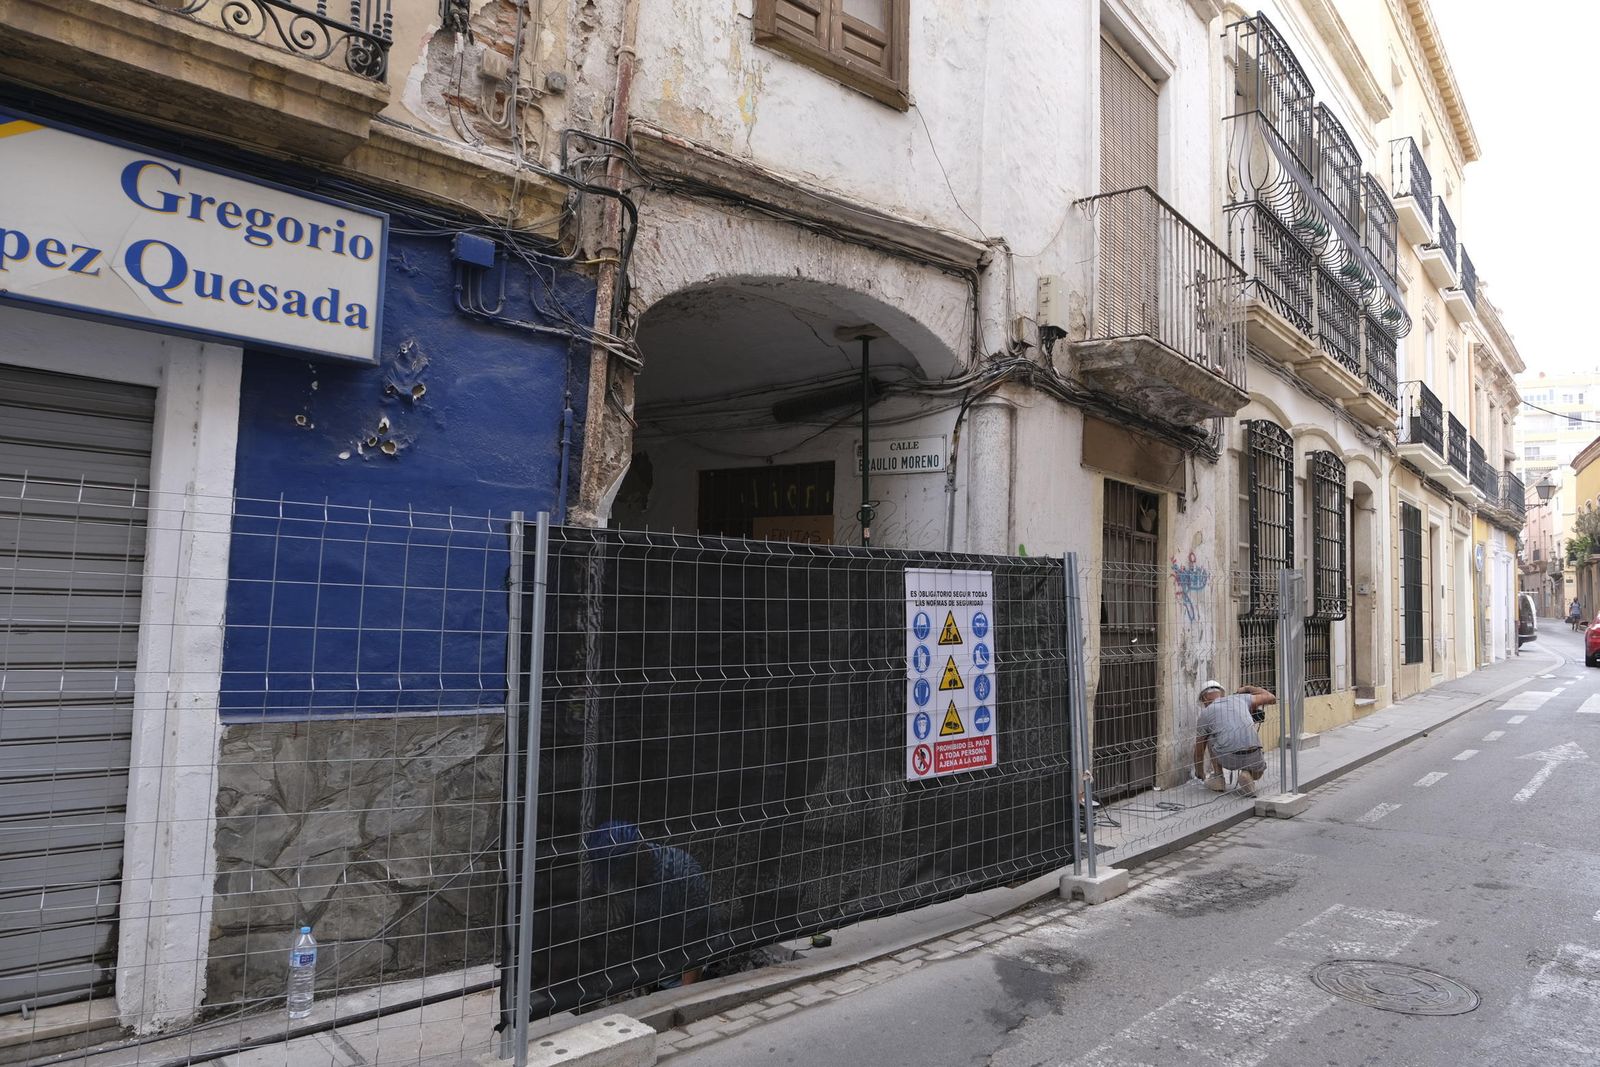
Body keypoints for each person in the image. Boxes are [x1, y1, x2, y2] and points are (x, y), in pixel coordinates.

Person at [583, 820, 721, 987]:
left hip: (693, 968)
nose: (615, 879)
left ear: (638, 854)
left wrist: (684, 996)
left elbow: (698, 942)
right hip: (654, 965)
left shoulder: (682, 871)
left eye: (617, 871)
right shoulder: (627, 877)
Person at [1192, 679, 1275, 796]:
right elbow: (1271, 697)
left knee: (1211, 736)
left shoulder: (1205, 714)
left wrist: (1199, 772)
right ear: (1221, 693)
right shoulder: (1241, 699)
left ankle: (1218, 778)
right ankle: (1248, 774)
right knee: (1257, 768)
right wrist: (1247, 689)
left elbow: (1199, 750)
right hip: (1255, 756)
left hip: (1229, 759)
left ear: (1205, 698)